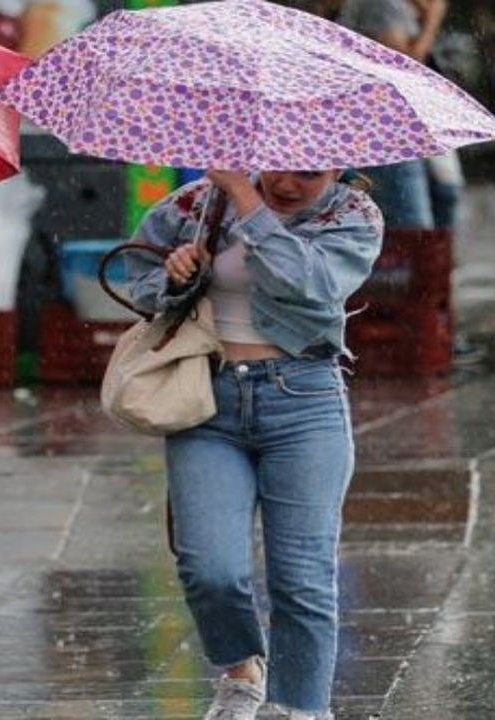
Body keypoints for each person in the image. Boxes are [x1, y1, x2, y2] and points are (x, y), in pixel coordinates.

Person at [125, 171, 384, 720]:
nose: (290, 183)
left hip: (305, 400)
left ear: (338, 165)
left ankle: (300, 708)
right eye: (280, 167)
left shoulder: (352, 215)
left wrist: (247, 199)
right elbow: (140, 274)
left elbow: (308, 284)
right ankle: (241, 669)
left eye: (310, 173)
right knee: (208, 567)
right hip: (207, 399)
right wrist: (173, 278)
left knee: (302, 576)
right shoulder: (198, 201)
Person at [339, 0, 451, 229]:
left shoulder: (406, 7)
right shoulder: (382, 4)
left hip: (410, 120)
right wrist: (433, 19)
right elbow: (405, 63)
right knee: (412, 222)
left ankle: (429, 258)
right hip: (384, 125)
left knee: (446, 193)